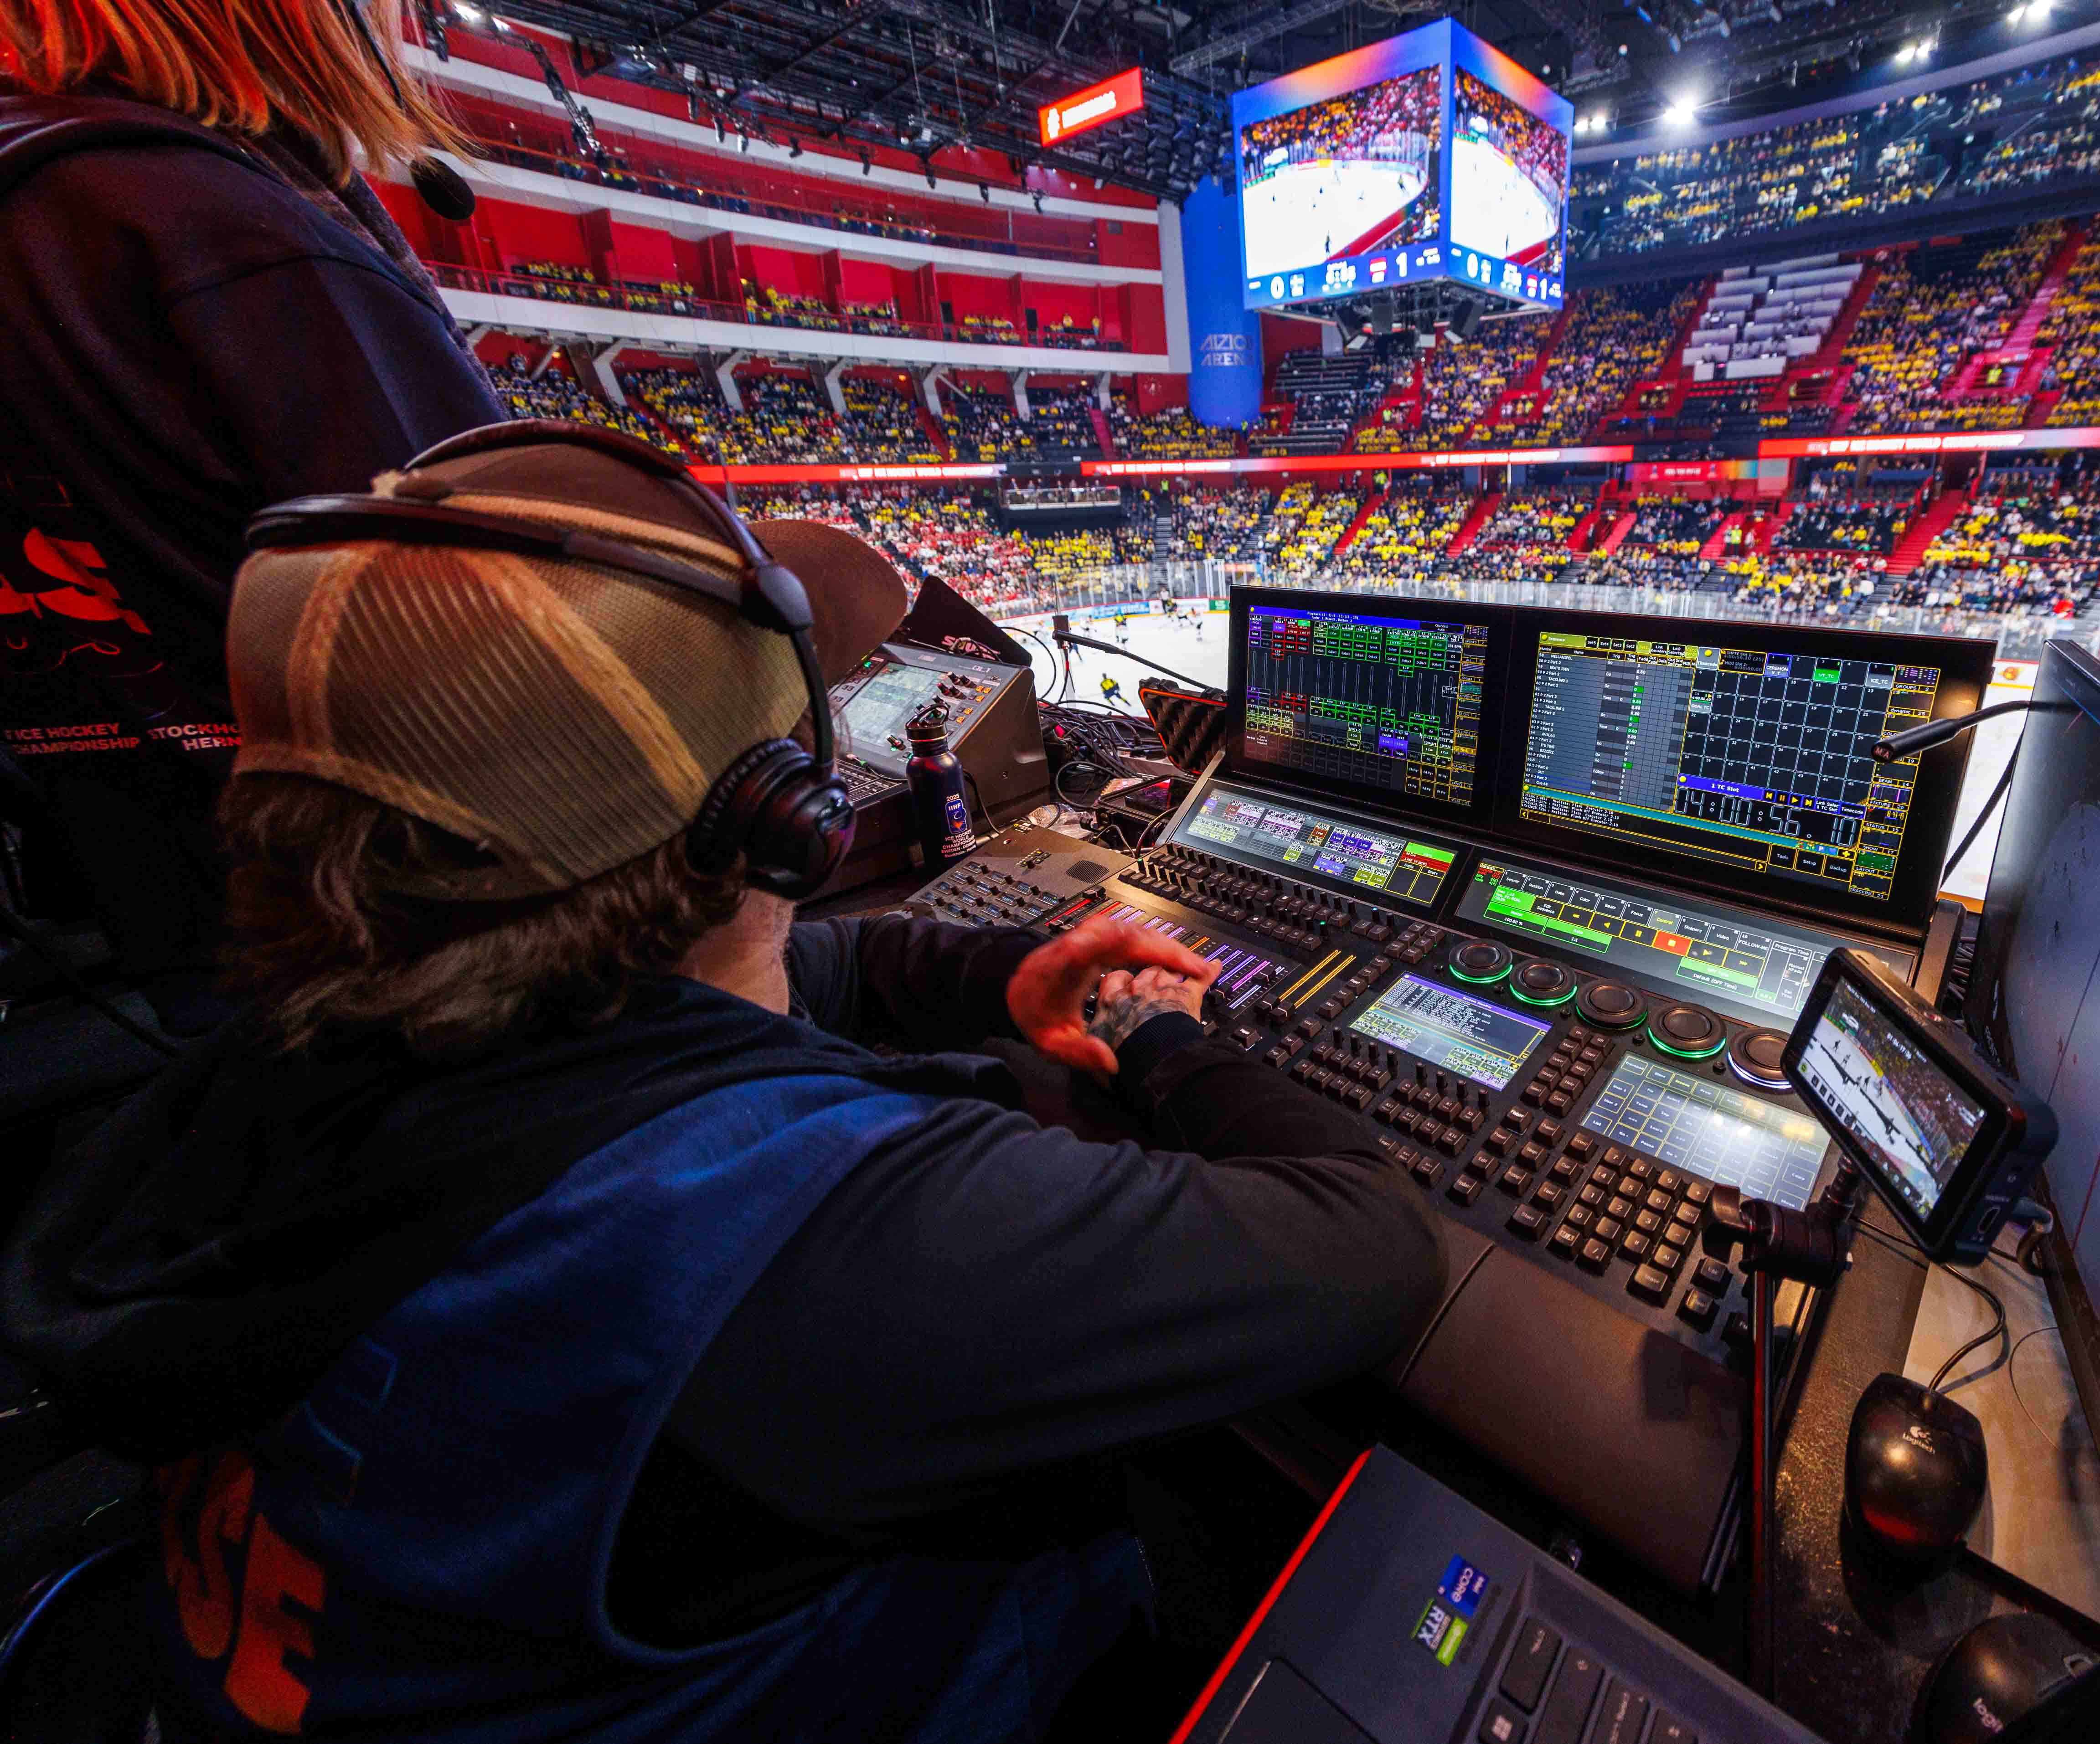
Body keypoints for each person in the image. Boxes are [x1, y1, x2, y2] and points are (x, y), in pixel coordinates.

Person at [0, 425, 1444, 1739]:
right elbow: (1365, 1250)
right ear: (785, 815)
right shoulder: (796, 1245)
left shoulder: (304, 1047)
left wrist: (982, 977)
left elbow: (733, 1001)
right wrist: (1169, 1044)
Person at [0, 0, 503, 1032]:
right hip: (393, 954)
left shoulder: (42, 187)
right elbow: (507, 654)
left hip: (149, 918)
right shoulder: (230, 233)